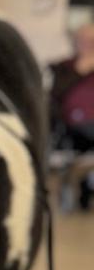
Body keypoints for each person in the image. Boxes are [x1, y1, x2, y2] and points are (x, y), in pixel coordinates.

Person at [49, 22, 94, 210]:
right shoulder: (64, 67)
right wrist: (80, 71)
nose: (87, 43)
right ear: (75, 41)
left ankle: (89, 183)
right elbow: (55, 95)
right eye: (83, 39)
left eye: (91, 40)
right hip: (75, 125)